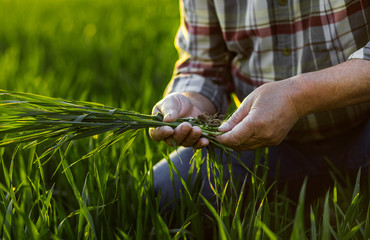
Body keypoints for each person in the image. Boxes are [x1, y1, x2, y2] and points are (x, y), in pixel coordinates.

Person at [149, 0, 370, 209]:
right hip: (261, 145)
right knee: (162, 194)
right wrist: (191, 102)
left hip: (364, 125)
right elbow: (204, 66)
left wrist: (297, 97)